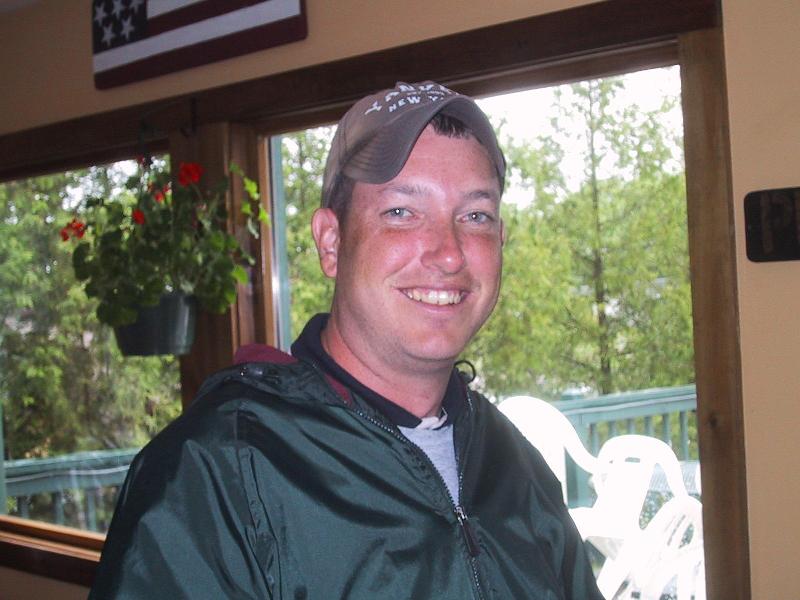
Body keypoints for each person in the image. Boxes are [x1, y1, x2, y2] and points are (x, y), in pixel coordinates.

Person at [90, 81, 603, 599]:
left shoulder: (516, 466)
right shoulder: (217, 474)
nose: (449, 253)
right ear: (331, 243)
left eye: (476, 216)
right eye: (401, 212)